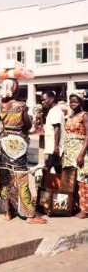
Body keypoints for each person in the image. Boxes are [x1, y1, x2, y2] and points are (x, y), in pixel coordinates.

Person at [0, 78, 47, 224]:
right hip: (18, 145)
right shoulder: (20, 105)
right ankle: (29, 215)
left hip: (4, 143)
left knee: (5, 178)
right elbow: (27, 124)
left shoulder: (1, 105)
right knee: (21, 178)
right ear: (15, 89)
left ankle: (7, 212)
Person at [63, 90, 88, 219]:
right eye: (71, 101)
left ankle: (85, 209)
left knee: (83, 180)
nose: (73, 103)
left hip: (79, 151)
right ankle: (75, 205)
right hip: (68, 152)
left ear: (81, 102)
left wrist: (81, 154)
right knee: (70, 180)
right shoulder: (70, 116)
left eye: (76, 101)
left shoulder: (84, 115)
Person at [41, 90, 65, 175]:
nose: (43, 102)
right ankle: (58, 187)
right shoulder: (52, 110)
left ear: (51, 99)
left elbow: (57, 129)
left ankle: (43, 188)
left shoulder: (55, 111)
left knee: (46, 168)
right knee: (58, 169)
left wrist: (56, 147)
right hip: (52, 148)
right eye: (42, 101)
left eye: (44, 100)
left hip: (53, 149)